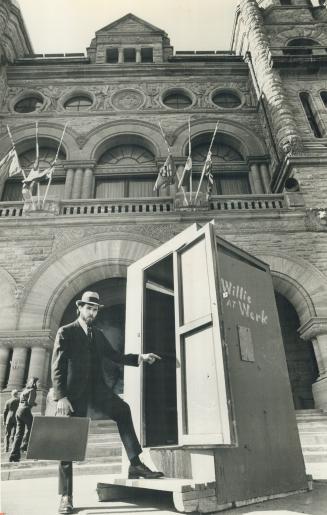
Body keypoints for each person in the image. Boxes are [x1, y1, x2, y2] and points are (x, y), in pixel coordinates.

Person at [51, 291, 163, 515]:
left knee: (123, 410)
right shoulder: (66, 332)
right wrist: (60, 396)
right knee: (69, 441)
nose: (92, 312)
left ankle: (135, 464)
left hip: (97, 390)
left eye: (95, 309)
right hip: (73, 395)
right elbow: (57, 364)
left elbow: (114, 356)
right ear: (80, 308)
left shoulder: (97, 334)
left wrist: (139, 358)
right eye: (88, 308)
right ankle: (66, 496)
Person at [9, 377, 39, 462]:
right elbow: (29, 403)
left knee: (18, 434)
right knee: (33, 428)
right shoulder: (32, 391)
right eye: (36, 383)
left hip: (18, 411)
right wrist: (33, 403)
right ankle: (25, 446)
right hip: (25, 411)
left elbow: (23, 401)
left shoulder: (24, 391)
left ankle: (14, 455)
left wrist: (33, 403)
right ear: (34, 384)